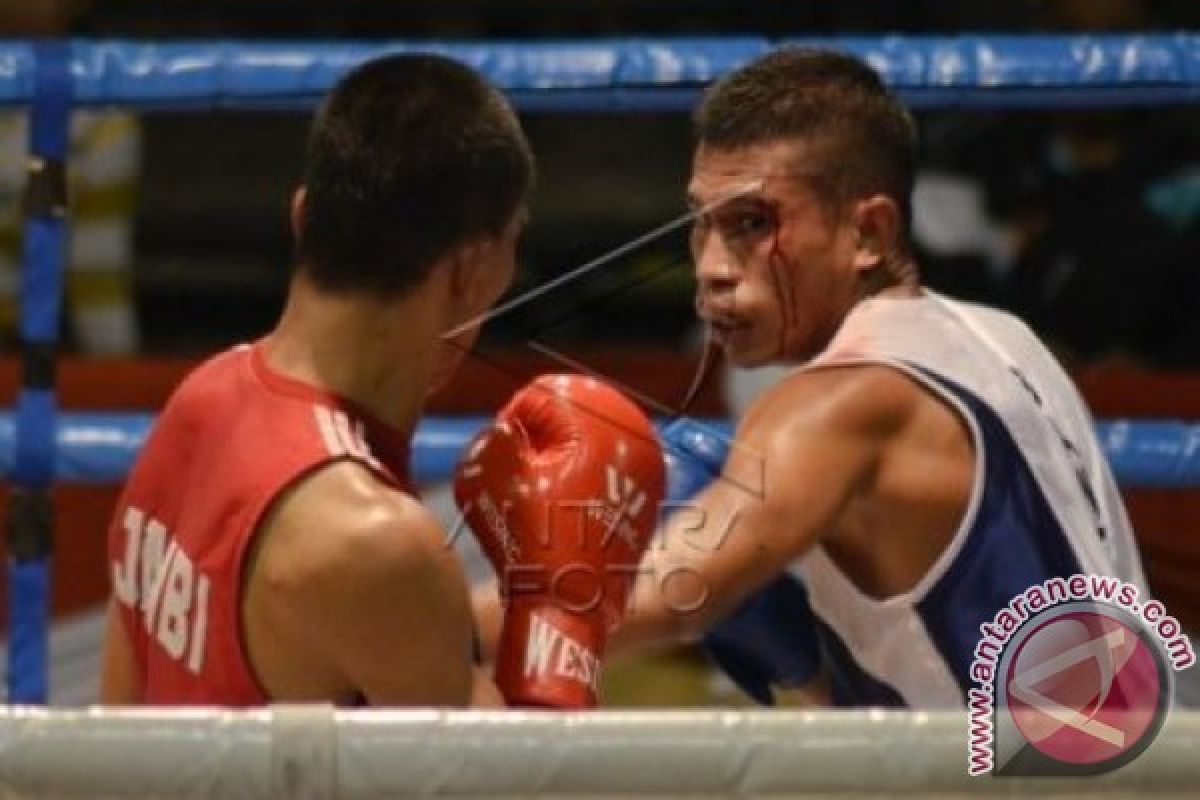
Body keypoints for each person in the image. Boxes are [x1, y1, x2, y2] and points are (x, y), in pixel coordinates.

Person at [607, 47, 1148, 708]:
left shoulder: (841, 405)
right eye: (700, 223)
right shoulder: (1003, 336)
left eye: (752, 224)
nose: (713, 266)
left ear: (869, 232)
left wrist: (453, 618)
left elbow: (669, 600)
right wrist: (799, 659)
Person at [99, 53, 540, 706]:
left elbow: (113, 731)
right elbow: (512, 782)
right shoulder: (372, 541)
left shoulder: (199, 401)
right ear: (469, 273)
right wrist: (564, 618)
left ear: (303, 217)